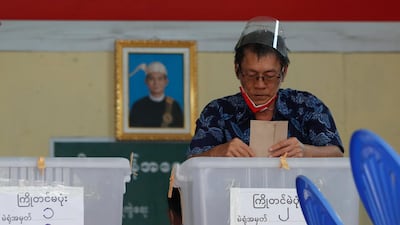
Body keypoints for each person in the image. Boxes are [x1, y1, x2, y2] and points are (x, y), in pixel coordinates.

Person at [188, 16, 344, 158]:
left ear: (284, 71)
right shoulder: (218, 111)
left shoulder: (306, 106)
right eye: (251, 75)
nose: (260, 84)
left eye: (269, 76)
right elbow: (192, 162)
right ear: (237, 70)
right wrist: (218, 152)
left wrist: (306, 151)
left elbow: (336, 155)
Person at [129, 61, 184, 128]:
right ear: (146, 81)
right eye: (152, 79)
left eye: (160, 79)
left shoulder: (174, 106)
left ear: (166, 81)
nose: (156, 83)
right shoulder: (138, 106)